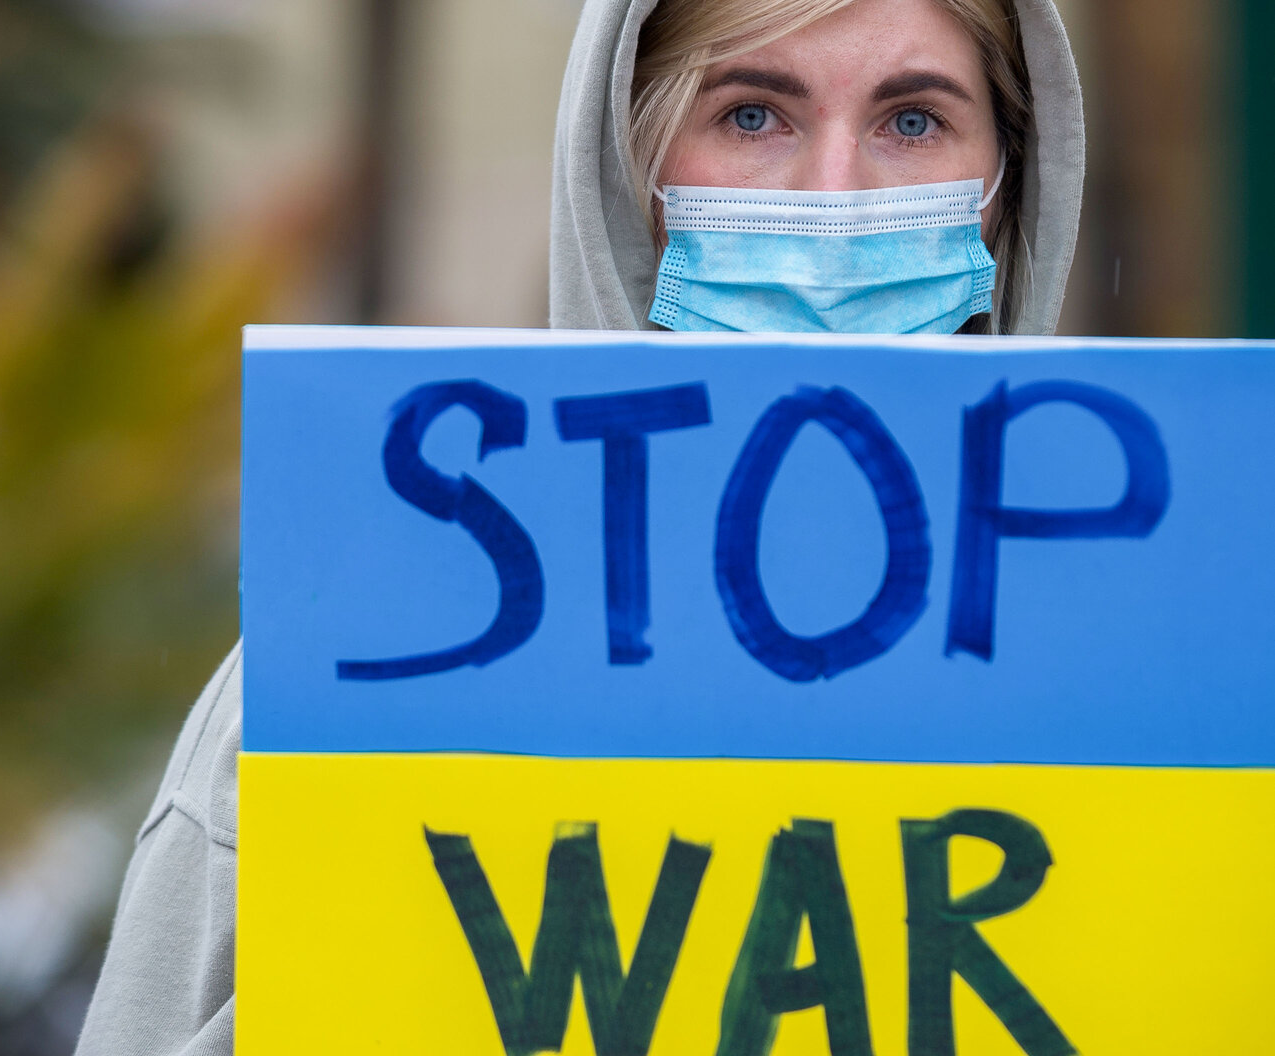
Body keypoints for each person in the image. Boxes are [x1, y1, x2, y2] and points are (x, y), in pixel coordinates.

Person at [73, 0, 1084, 1052]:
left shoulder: (1173, 683)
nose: (832, 200)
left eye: (911, 121)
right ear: (625, 170)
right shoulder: (337, 679)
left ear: (1005, 191)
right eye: (750, 116)